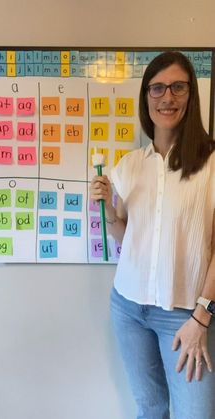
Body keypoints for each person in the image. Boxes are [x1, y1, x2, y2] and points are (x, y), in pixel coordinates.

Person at [90, 51, 215, 419]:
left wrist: (201, 317)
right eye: (157, 88)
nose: (167, 97)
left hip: (185, 315)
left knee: (196, 414)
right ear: (146, 97)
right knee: (151, 408)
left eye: (178, 87)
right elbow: (124, 236)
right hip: (128, 308)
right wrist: (111, 212)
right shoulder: (131, 165)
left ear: (191, 94)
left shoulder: (210, 162)